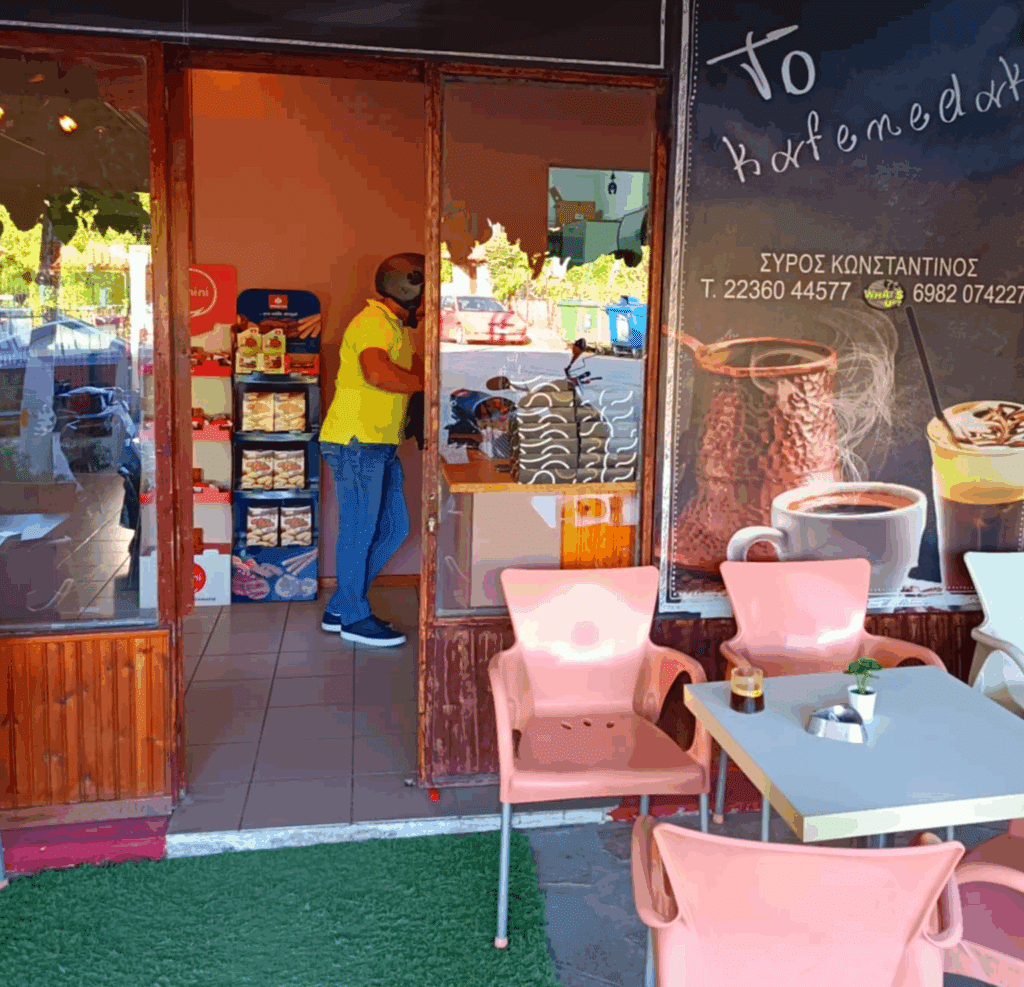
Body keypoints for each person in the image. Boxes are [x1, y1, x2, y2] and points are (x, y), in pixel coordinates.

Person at [319, 253, 425, 646]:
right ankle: (354, 617)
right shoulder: (373, 322)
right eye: (428, 293)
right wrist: (428, 384)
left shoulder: (396, 328)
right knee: (359, 531)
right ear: (408, 289)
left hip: (378, 444)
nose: (430, 304)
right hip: (357, 442)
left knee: (395, 527)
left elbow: (416, 370)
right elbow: (378, 373)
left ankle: (340, 606)